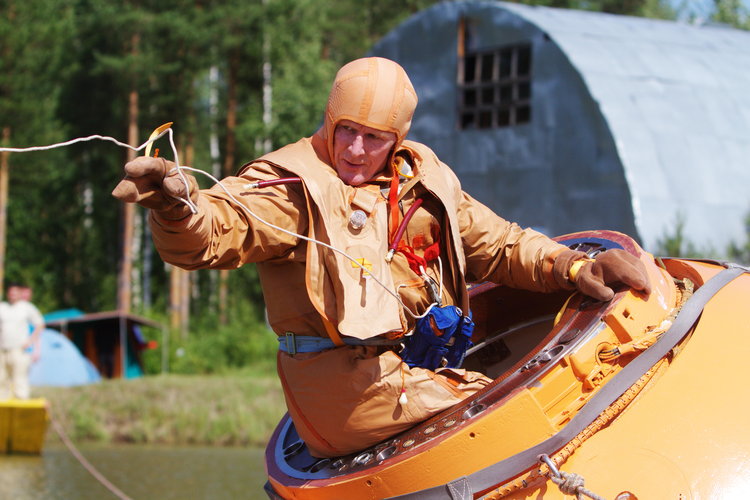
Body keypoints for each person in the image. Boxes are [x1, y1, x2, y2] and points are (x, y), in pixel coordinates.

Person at [112, 57, 650, 458]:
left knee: (536, 390)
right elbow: (218, 231)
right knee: (516, 412)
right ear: (329, 120)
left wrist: (574, 266)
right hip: (344, 393)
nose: (354, 150)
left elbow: (501, 245)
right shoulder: (289, 185)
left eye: (374, 138)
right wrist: (177, 204)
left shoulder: (423, 181)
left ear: (396, 140)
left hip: (419, 366)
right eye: (346, 130)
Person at [0, 282, 45, 400]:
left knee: (20, 380)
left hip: (19, 350)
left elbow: (40, 324)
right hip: (2, 350)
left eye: (15, 292)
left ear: (20, 293)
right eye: (10, 292)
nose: (12, 294)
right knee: (1, 379)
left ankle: (21, 408)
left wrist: (30, 341)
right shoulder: (2, 307)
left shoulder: (26, 307)